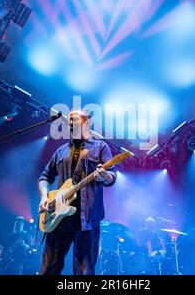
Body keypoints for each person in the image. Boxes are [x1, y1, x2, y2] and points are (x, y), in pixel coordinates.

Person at [38, 109, 116, 275]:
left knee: (83, 272)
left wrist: (104, 176)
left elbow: (112, 178)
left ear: (87, 122)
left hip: (86, 220)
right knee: (48, 269)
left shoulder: (100, 147)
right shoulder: (61, 151)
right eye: (69, 119)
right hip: (57, 218)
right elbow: (45, 176)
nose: (70, 122)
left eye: (74, 119)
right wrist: (44, 196)